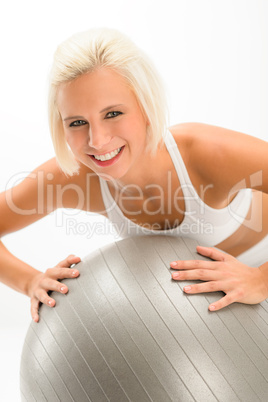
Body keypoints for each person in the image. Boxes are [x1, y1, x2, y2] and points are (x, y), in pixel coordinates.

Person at [0, 28, 267, 322]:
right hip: (202, 321)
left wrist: (260, 280)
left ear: (145, 106)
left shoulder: (206, 154)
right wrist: (30, 282)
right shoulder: (74, 177)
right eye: (77, 122)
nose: (97, 140)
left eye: (113, 114)